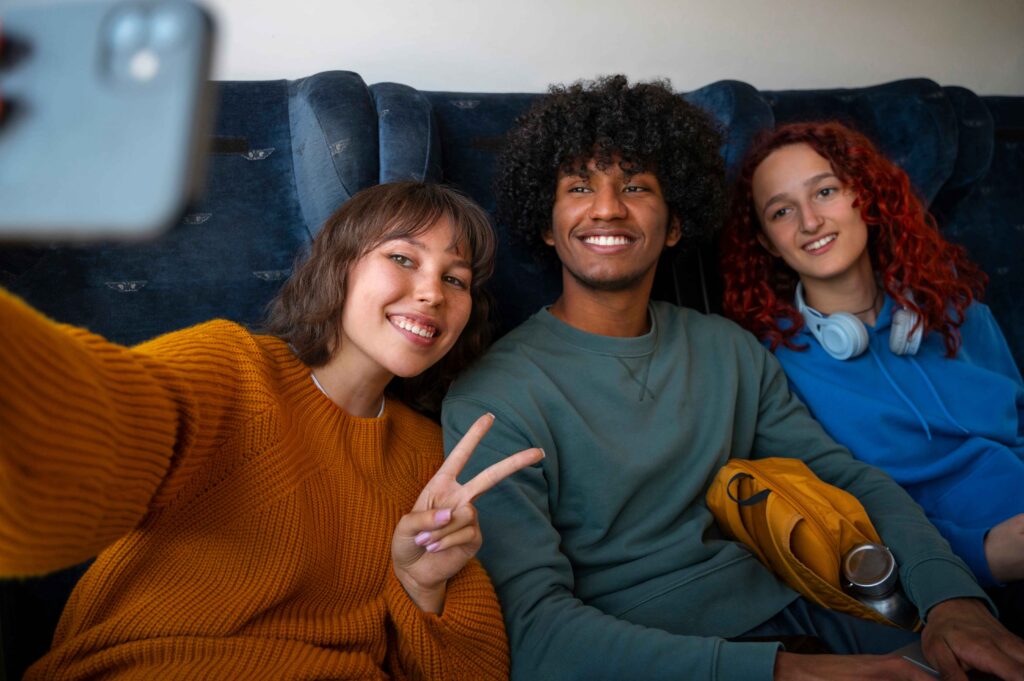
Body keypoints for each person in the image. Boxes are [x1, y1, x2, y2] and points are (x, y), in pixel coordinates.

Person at [440, 76, 1024, 681]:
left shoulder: (728, 350)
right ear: (546, 221)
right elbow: (537, 637)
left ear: (673, 225)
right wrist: (786, 672)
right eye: (580, 187)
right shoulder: (492, 397)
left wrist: (953, 601)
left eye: (636, 186)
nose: (608, 207)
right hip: (657, 652)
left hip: (813, 609)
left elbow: (850, 480)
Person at [0, 181, 542, 680]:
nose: (432, 293)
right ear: (340, 266)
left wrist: (423, 585)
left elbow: (470, 673)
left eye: (455, 279)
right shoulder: (230, 368)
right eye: (402, 258)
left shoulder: (432, 456)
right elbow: (96, 432)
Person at [719, 120, 1024, 633]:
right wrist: (985, 554)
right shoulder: (770, 368)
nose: (811, 221)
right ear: (769, 243)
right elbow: (835, 530)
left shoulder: (960, 314)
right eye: (782, 211)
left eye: (825, 191)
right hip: (962, 572)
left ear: (866, 198)